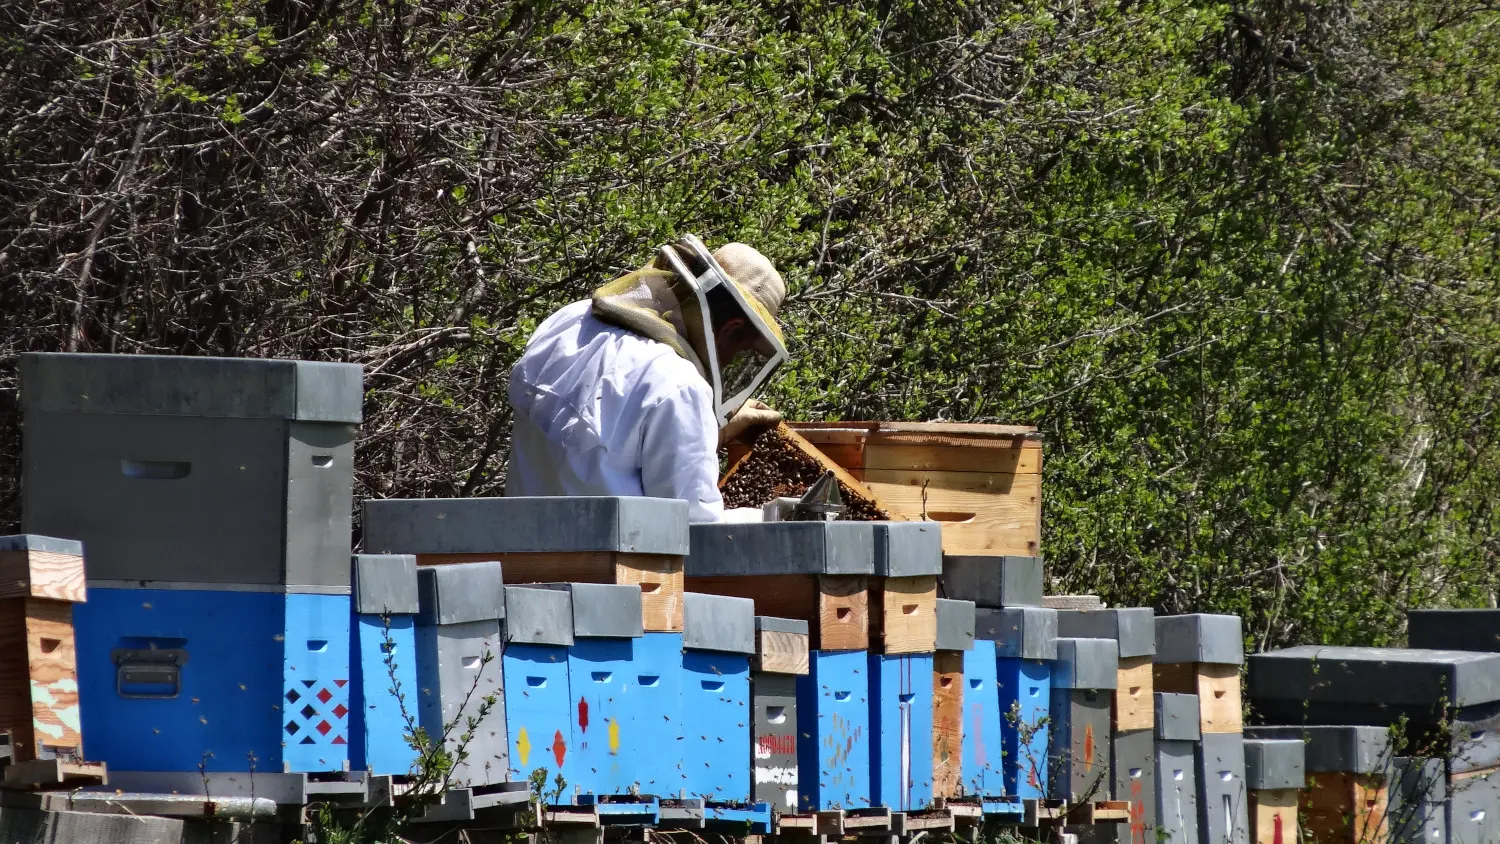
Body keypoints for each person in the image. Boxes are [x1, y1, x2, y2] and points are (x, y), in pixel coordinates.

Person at [506, 235, 789, 522]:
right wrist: (783, 517)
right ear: (731, 328)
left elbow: (598, 450)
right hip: (608, 564)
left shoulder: (569, 321)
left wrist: (714, 433)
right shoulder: (678, 385)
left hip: (519, 553)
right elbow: (697, 529)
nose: (729, 362)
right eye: (739, 352)